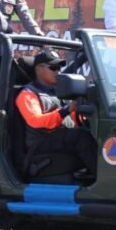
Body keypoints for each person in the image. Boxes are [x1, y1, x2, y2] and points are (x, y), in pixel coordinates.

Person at [15, 50, 97, 180]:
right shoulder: (27, 94)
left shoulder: (60, 91)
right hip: (40, 143)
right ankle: (101, 178)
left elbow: (74, 119)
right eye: (53, 68)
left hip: (59, 139)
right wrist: (66, 110)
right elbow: (36, 122)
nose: (57, 71)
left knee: (92, 132)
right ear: (39, 69)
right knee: (79, 136)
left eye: (59, 67)